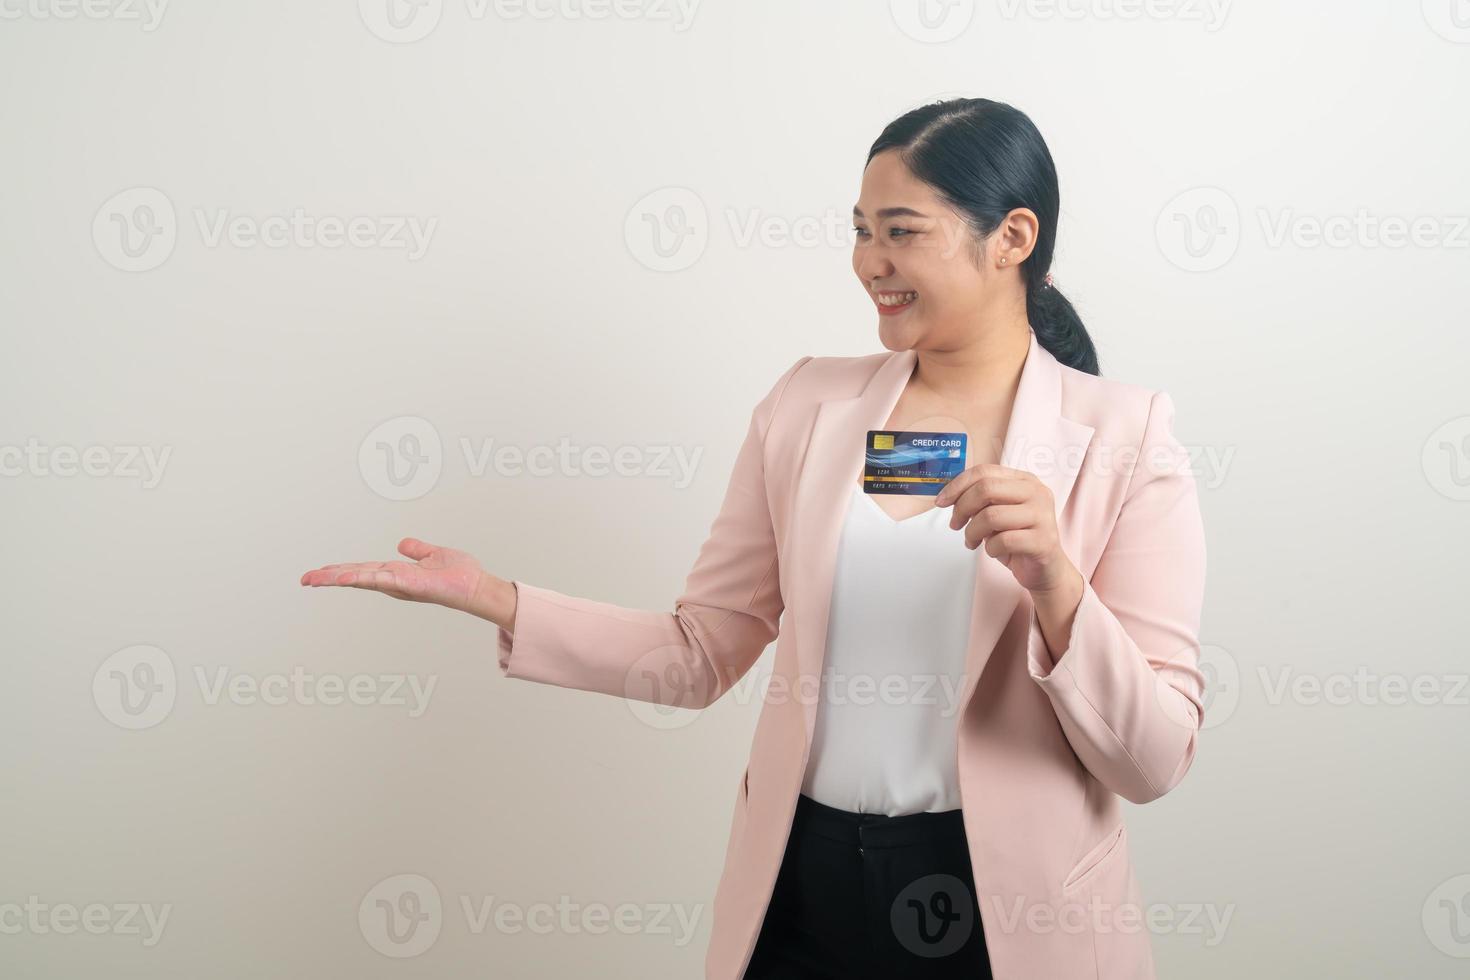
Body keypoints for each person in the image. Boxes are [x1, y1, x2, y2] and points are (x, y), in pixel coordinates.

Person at [301, 98, 1208, 980]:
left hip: (1007, 910)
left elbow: (1155, 758)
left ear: (1011, 237)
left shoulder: (1126, 439)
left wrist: (1057, 585)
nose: (869, 263)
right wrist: (502, 600)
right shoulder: (808, 406)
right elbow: (701, 651)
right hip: (801, 887)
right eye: (859, 230)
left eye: (901, 230)